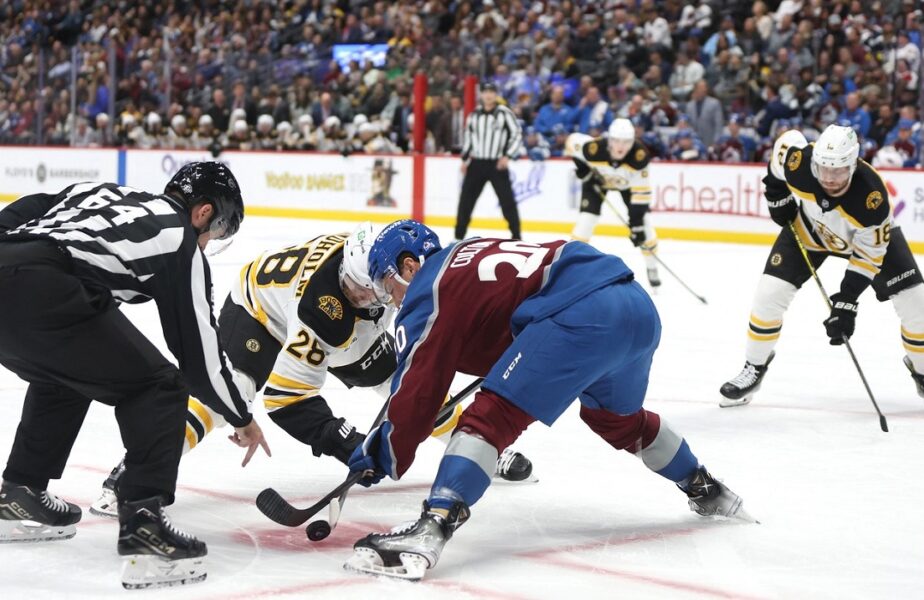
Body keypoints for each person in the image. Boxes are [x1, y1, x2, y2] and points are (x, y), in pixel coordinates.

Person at [343, 220, 751, 581]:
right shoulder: (470, 252)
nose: (389, 299)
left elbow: (418, 389)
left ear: (409, 265)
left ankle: (430, 529)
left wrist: (383, 451)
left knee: (488, 420)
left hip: (581, 315)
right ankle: (707, 489)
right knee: (617, 420)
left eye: (384, 284)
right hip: (635, 307)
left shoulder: (424, 291)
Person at [91, 223, 534, 516]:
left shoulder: (380, 263)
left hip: (345, 326)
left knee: (406, 383)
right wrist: (348, 443)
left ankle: (480, 450)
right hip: (261, 309)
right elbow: (286, 399)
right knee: (232, 394)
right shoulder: (326, 307)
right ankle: (136, 470)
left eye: (372, 289)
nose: (369, 295)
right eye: (362, 289)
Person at [0, 162, 267, 589]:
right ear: (203, 212)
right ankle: (144, 524)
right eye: (214, 231)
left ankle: (20, 494)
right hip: (48, 284)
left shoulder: (99, 193)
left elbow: (20, 213)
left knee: (67, 373)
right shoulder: (181, 241)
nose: (208, 241)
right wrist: (241, 417)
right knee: (161, 387)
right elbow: (199, 361)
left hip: (13, 265)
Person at [719, 125, 924, 407]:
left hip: (863, 242)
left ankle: (922, 371)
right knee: (768, 295)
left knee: (917, 304)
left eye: (838, 170)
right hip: (809, 231)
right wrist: (777, 195)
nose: (828, 178)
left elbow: (868, 254)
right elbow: (780, 153)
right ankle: (754, 367)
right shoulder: (799, 161)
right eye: (823, 168)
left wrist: (847, 300)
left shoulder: (871, 198)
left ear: (853, 164)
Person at [566, 118, 661, 290]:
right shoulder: (593, 149)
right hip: (597, 182)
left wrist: (636, 226)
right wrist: (584, 172)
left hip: (627, 187)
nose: (620, 146)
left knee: (645, 225)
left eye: (626, 142)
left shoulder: (639, 158)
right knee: (586, 222)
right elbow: (571, 141)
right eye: (616, 140)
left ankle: (651, 265)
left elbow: (641, 196)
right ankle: (570, 268)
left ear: (633, 141)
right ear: (609, 139)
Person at [455, 82, 523, 241]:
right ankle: (458, 237)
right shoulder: (474, 115)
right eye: (485, 92)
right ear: (481, 94)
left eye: (492, 91)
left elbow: (517, 134)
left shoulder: (505, 113)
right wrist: (465, 160)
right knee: (466, 201)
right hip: (477, 163)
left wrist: (508, 155)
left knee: (507, 202)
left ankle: (517, 235)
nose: (488, 95)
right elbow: (468, 138)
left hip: (496, 164)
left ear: (496, 94)